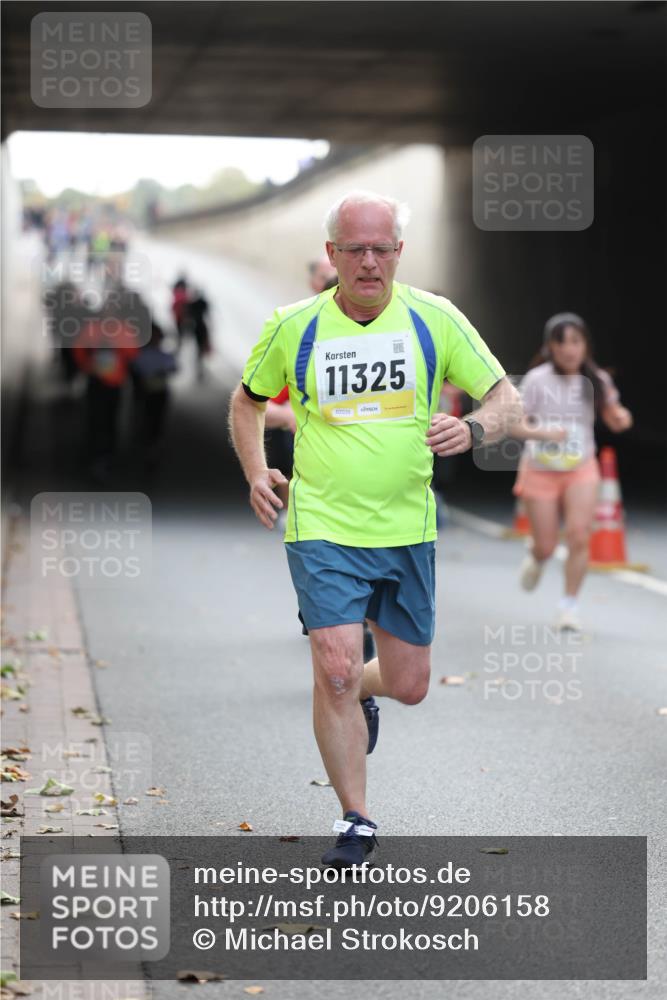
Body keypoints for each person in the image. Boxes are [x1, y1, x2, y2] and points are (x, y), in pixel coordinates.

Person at [229, 190, 521, 869]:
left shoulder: (434, 319)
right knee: (332, 666)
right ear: (330, 254)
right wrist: (254, 471)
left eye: (380, 248)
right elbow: (245, 403)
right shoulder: (294, 325)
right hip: (322, 524)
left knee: (409, 681)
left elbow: (506, 397)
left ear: (398, 253)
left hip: (405, 530)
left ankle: (363, 689)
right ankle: (355, 819)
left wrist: (474, 428)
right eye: (353, 249)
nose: (368, 262)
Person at [509, 312, 632, 631]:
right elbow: (514, 424)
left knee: (579, 535)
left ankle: (569, 606)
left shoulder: (597, 381)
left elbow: (616, 415)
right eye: (561, 342)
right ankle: (537, 555)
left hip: (581, 467)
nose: (569, 349)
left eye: (575, 342)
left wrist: (621, 418)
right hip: (541, 468)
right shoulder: (537, 379)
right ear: (550, 346)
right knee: (547, 545)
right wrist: (544, 434)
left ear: (585, 345)